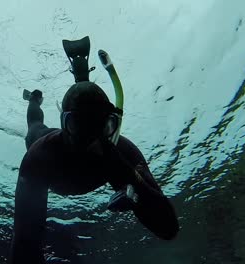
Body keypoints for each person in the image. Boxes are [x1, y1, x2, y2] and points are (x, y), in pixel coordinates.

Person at [9, 81, 179, 264]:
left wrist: (129, 176)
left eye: (100, 125)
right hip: (43, 137)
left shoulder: (121, 153)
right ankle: (34, 100)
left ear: (111, 124)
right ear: (64, 123)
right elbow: (25, 245)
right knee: (35, 126)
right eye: (78, 124)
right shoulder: (39, 157)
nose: (90, 139)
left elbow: (168, 229)